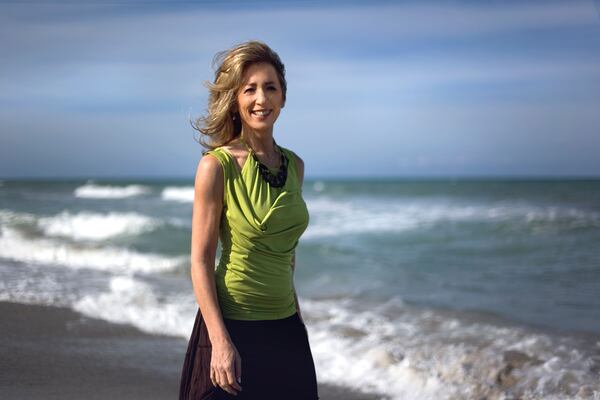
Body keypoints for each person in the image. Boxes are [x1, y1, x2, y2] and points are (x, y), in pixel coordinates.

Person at [179, 41, 319, 400]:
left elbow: (286, 254)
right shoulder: (216, 166)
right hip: (234, 328)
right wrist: (220, 341)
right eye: (250, 89)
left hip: (287, 329)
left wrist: (298, 320)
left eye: (270, 87)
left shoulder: (296, 166)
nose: (261, 99)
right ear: (235, 99)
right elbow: (199, 260)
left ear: (283, 97)